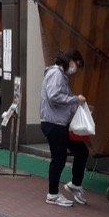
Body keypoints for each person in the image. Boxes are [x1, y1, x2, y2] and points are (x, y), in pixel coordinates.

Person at [39, 49, 89, 207]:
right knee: (59, 158)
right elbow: (54, 96)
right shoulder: (57, 74)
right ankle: (53, 194)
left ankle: (75, 184)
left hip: (59, 123)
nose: (75, 69)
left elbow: (58, 98)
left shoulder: (59, 75)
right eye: (76, 65)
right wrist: (75, 99)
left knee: (81, 151)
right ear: (70, 60)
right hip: (54, 124)